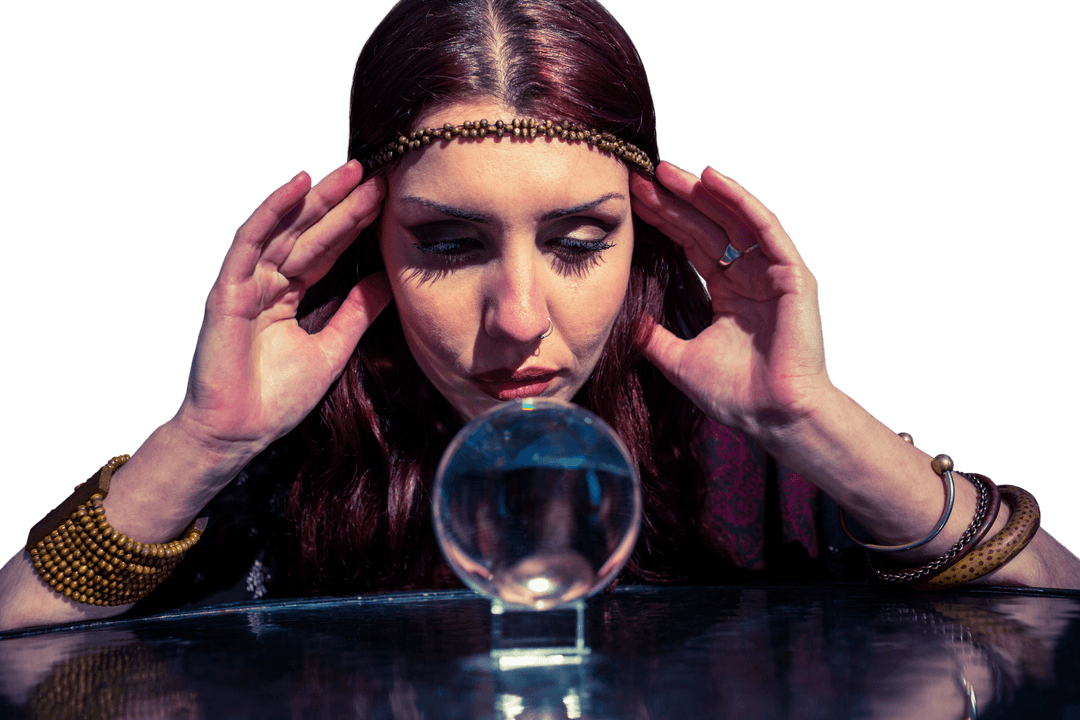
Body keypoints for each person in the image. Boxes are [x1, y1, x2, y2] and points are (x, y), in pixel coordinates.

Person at [2, 0, 1078, 632]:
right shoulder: (288, 460)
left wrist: (811, 423)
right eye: (449, 243)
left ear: (645, 233)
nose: (519, 319)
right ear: (372, 241)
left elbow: (1058, 611)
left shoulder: (751, 446)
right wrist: (205, 441)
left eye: (578, 242)